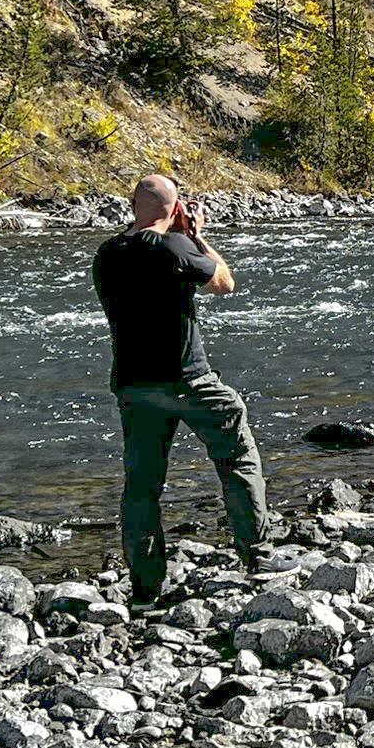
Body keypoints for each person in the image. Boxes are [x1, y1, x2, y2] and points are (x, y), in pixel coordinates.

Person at [93, 174, 265, 605]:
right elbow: (223, 283)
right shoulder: (173, 246)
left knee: (142, 486)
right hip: (188, 378)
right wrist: (199, 237)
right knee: (237, 456)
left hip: (133, 384)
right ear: (174, 209)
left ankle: (145, 587)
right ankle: (257, 556)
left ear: (133, 207)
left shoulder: (106, 255)